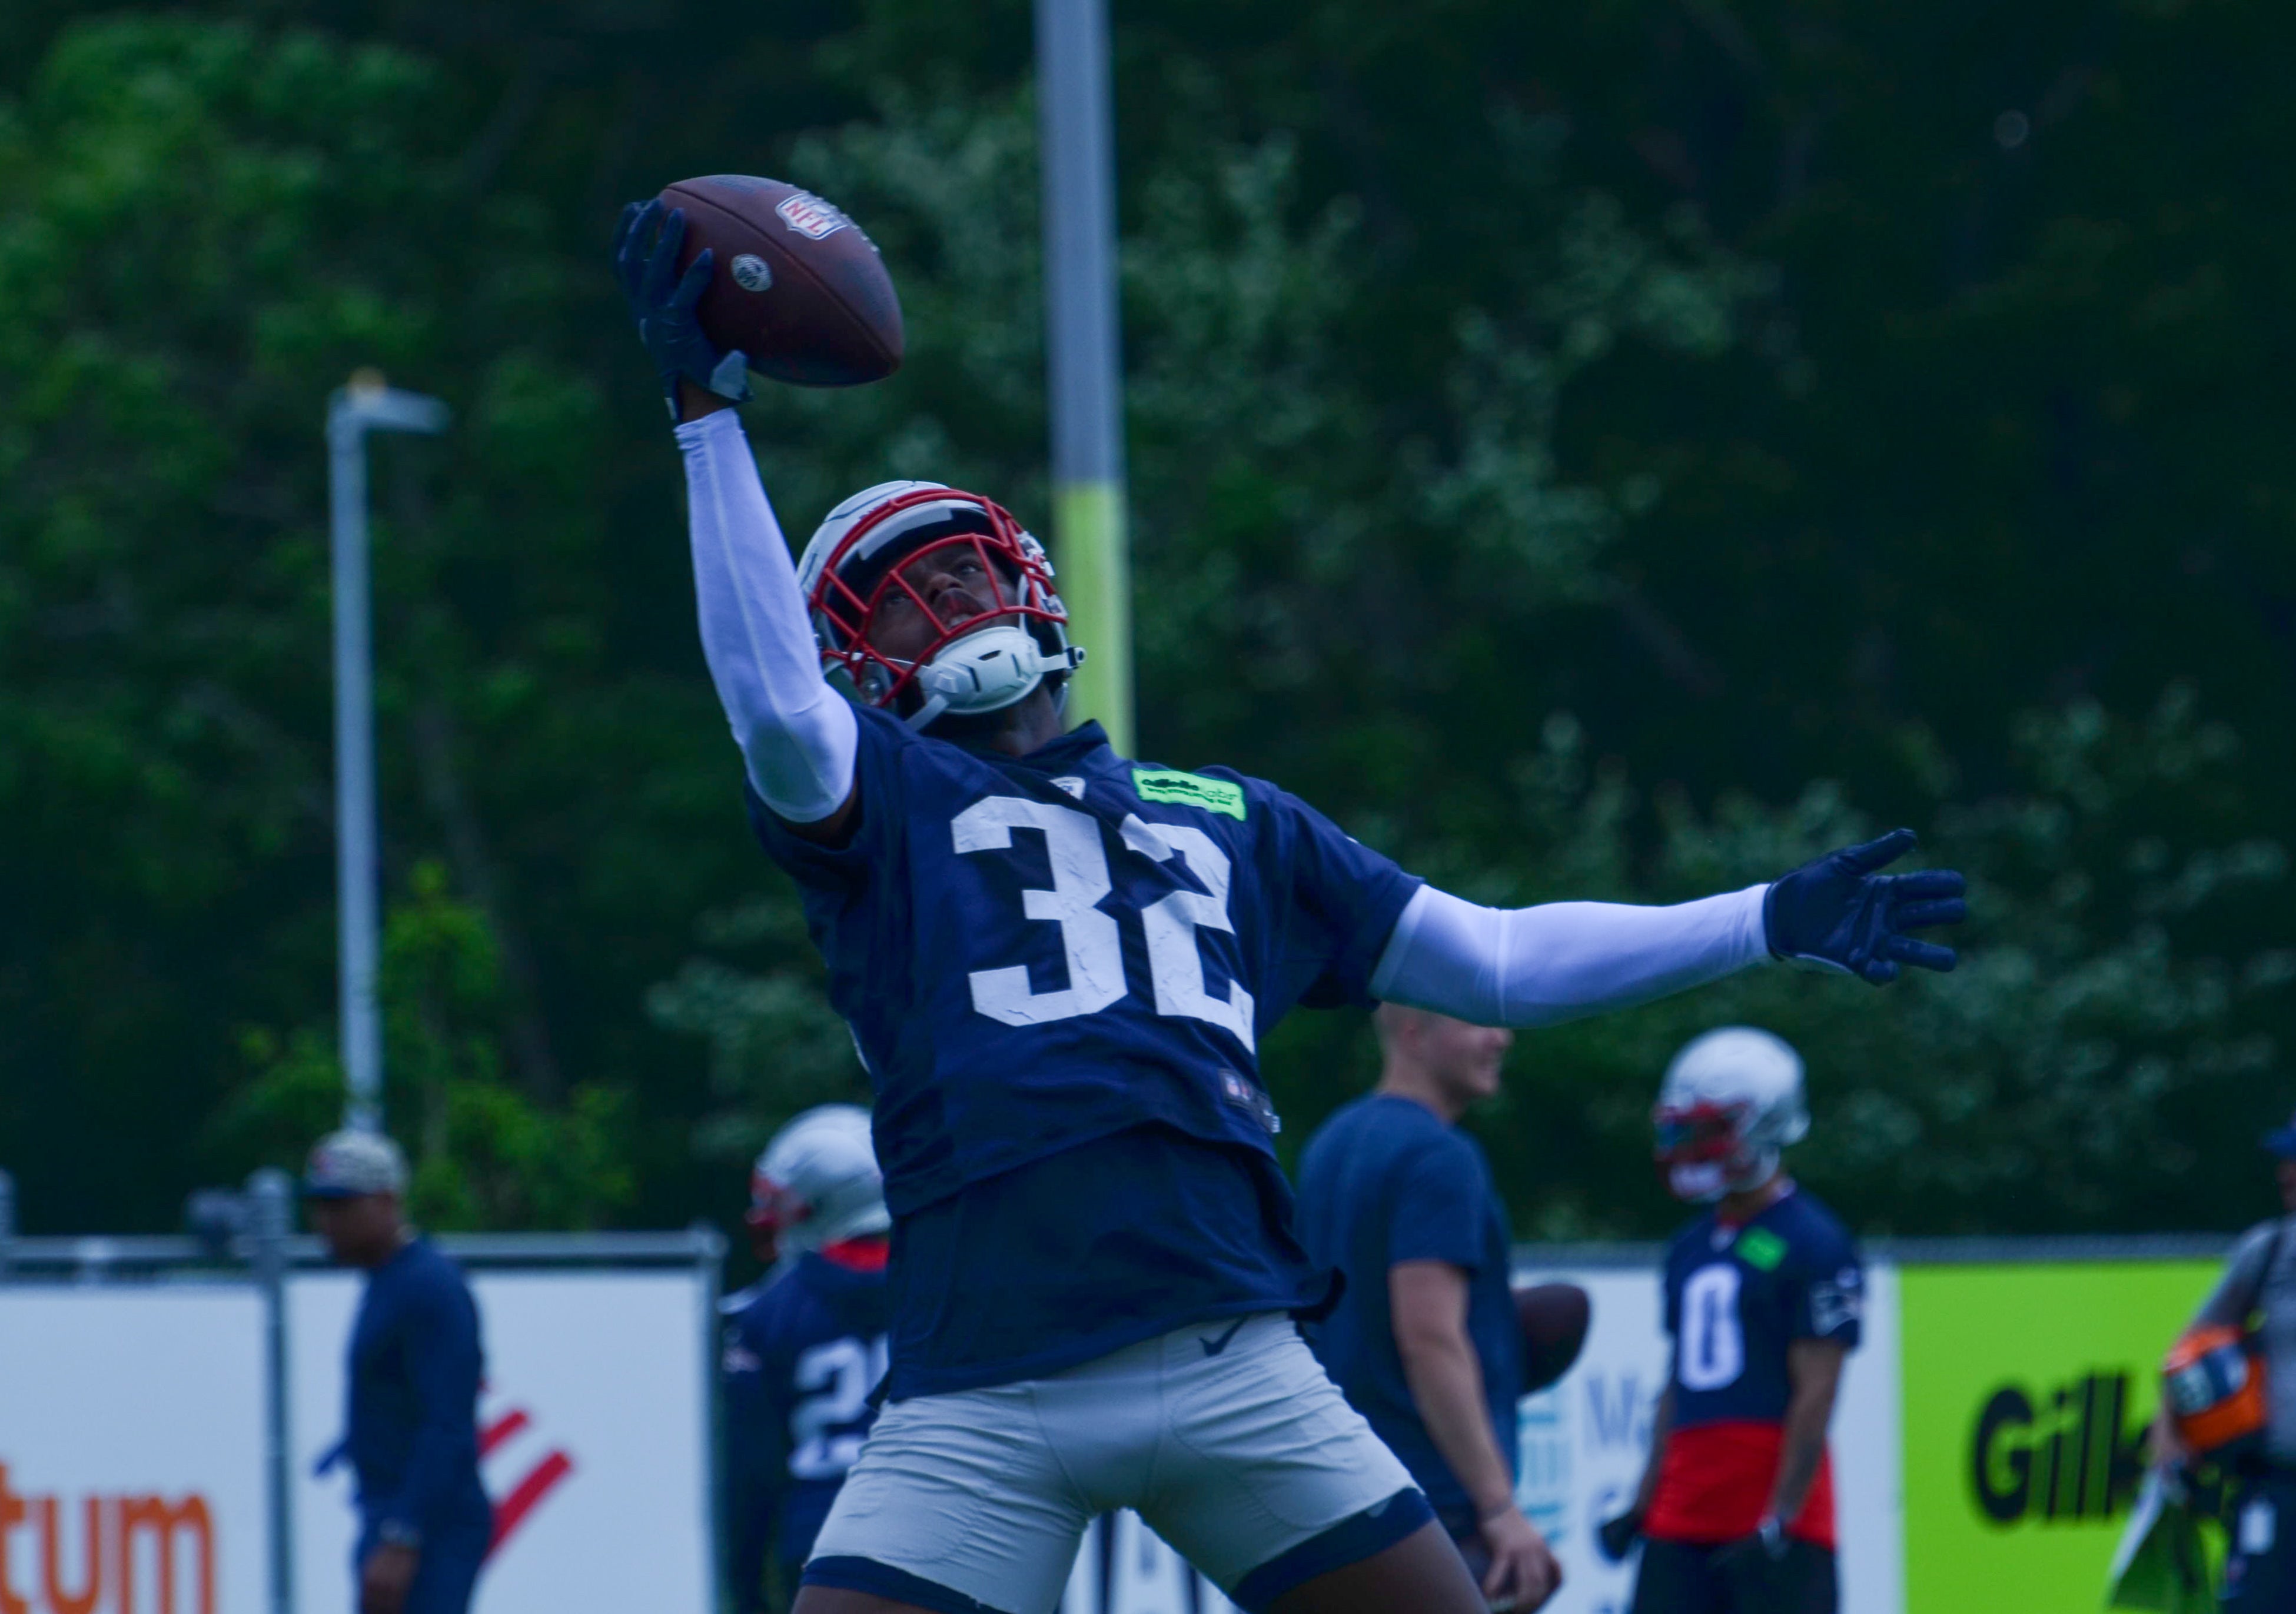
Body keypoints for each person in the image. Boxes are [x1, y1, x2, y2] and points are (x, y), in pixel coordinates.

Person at [612, 199, 1965, 1614]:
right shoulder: (880, 801)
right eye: (899, 597)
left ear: (1030, 578)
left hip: (1227, 1354)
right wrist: (708, 410)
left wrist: (1759, 915)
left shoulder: (1233, 814)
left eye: (960, 563)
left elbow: (1497, 955)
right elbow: (770, 698)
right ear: (856, 661)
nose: (946, 594)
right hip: (983, 1384)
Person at [1296, 1007, 1558, 1610]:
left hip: (1334, 1486)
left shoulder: (1329, 1143)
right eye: (1478, 1021)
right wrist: (1498, 1506)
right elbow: (1429, 1339)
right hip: (1426, 1500)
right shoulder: (1439, 1155)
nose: (1502, 1035)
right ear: (1412, 1030)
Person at [1604, 1030, 1861, 1614]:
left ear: (1765, 1126)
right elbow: (1678, 1385)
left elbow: (1817, 1390)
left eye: (1710, 1128)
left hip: (1765, 1507)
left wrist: (1780, 1517)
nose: (1692, 1145)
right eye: (1686, 1128)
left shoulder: (1812, 1239)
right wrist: (1642, 1502)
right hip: (1683, 1508)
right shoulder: (1689, 1246)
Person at [304, 1130, 494, 1614]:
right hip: (394, 1510)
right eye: (321, 1206)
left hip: (427, 1523)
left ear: (387, 1201)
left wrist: (404, 1533)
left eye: (341, 1206)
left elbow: (447, 1423)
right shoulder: (391, 1281)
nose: (326, 1221)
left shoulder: (428, 1286)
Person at [724, 1106, 895, 1614]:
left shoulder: (769, 1314)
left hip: (821, 1540)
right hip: (938, 1530)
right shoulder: (950, 1285)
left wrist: (745, 1590)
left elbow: (750, 1474)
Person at [2151, 1107, 2296, 1609]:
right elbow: (2183, 1356)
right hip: (2278, 1483)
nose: (2286, 1171)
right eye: (2283, 1159)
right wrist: (2169, 1438)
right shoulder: (2270, 1251)